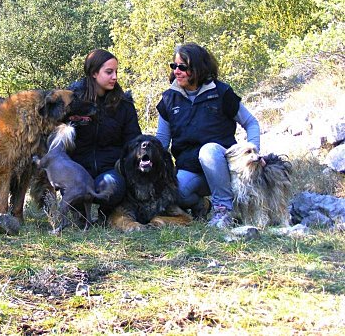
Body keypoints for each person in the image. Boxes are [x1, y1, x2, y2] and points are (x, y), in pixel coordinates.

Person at [155, 43, 260, 228]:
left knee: (208, 150)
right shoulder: (168, 99)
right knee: (173, 193)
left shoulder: (221, 92)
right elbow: (161, 142)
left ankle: (223, 210)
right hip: (191, 168)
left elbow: (251, 123)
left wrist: (253, 153)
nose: (176, 71)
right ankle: (201, 204)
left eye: (183, 67)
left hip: (223, 164)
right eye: (174, 66)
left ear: (197, 68)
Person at [68, 49, 142, 221]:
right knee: (74, 185)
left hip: (109, 169)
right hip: (77, 169)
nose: (114, 77)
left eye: (116, 72)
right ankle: (78, 212)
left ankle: (107, 213)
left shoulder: (124, 105)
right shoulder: (72, 100)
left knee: (113, 187)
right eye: (109, 72)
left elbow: (133, 142)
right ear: (94, 73)